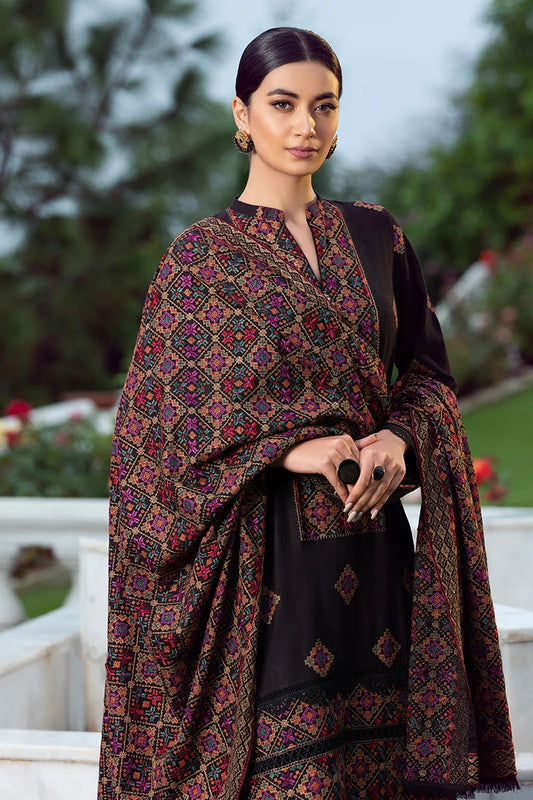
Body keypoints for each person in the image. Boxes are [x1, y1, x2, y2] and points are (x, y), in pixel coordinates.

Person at [98, 27, 518, 800]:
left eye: (324, 106)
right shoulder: (202, 261)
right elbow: (155, 440)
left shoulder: (376, 238)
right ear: (241, 113)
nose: (305, 127)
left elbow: (428, 378)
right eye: (282, 104)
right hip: (266, 574)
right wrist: (297, 452)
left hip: (377, 562)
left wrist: (397, 436)